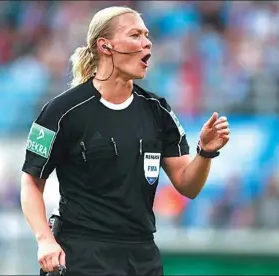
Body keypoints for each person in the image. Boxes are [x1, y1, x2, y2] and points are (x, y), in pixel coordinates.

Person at [20, 6, 230, 276]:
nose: (147, 42)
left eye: (147, 35)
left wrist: (205, 153)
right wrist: (45, 240)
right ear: (105, 46)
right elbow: (31, 183)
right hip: (82, 255)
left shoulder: (158, 111)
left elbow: (187, 185)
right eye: (135, 35)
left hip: (141, 257)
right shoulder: (62, 112)